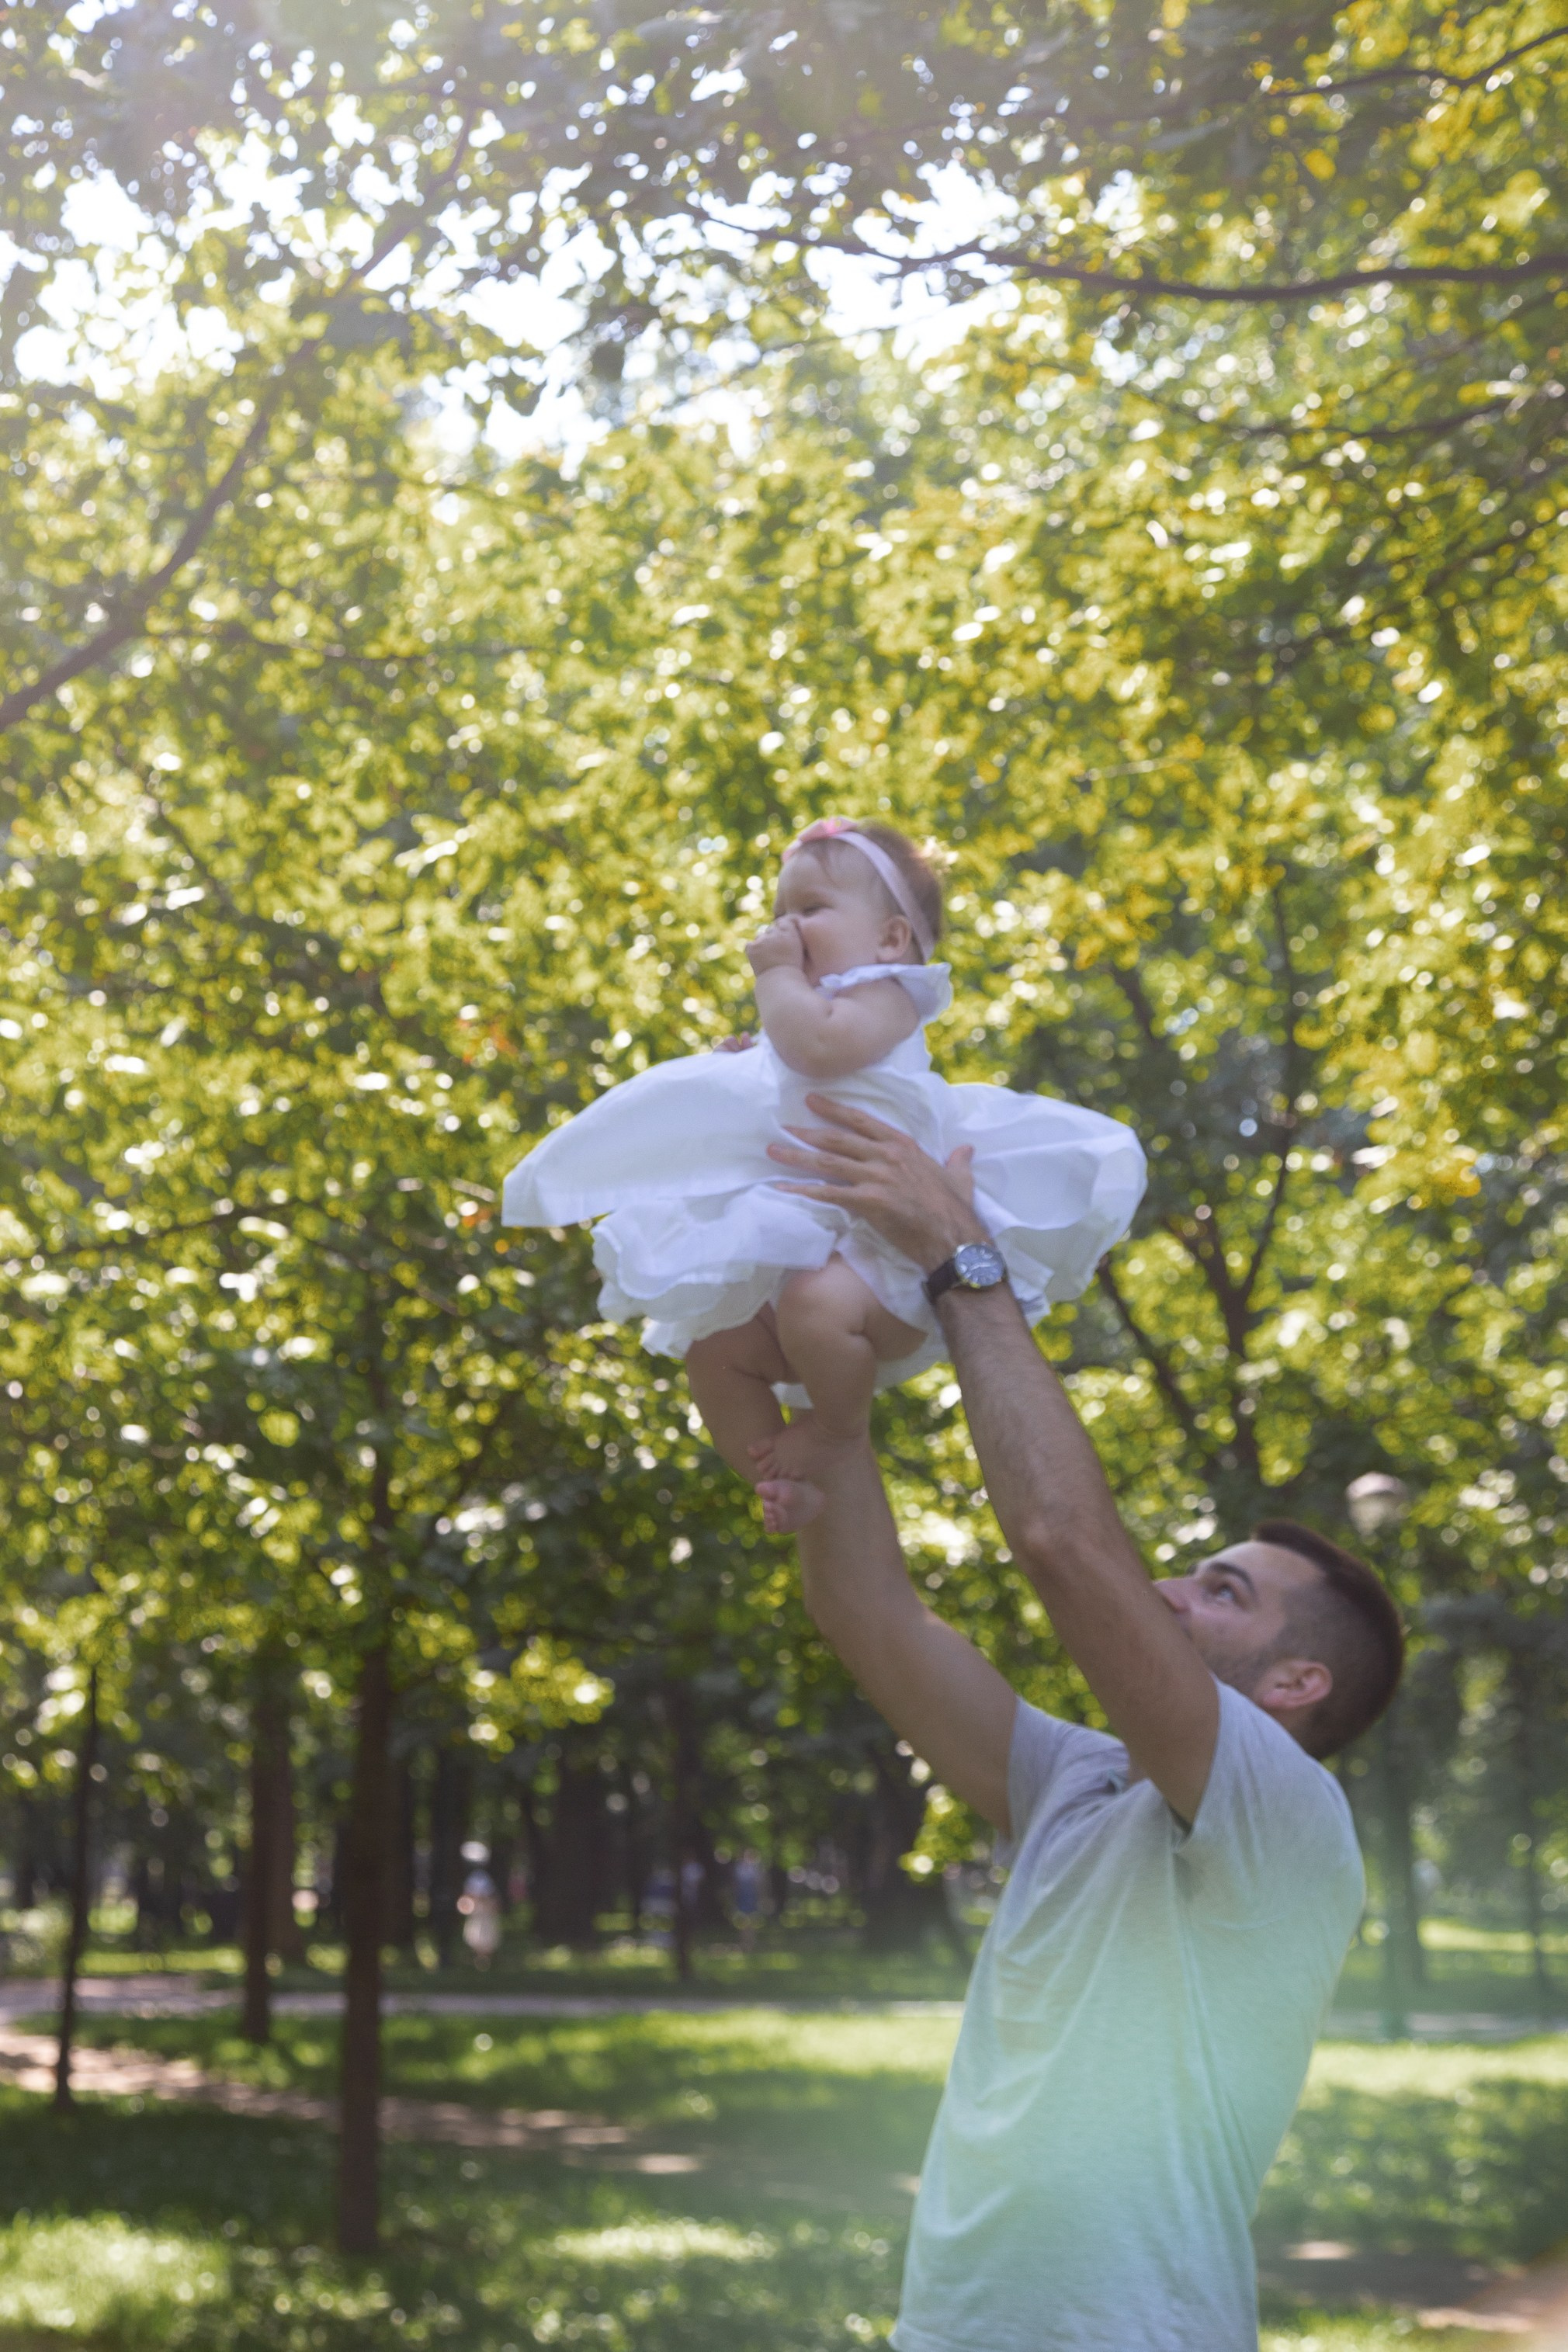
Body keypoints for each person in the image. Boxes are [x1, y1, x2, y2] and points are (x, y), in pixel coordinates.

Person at [758, 1093, 1403, 2352]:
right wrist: (826, 1406)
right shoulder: (1082, 1780)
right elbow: (869, 1613)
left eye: (1222, 1592)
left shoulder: (1285, 1817)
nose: (1164, 1589)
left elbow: (1063, 1540)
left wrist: (961, 1258)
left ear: (1297, 1685)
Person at [502, 817, 1145, 1532]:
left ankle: (838, 1432)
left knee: (813, 1305)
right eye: (779, 912)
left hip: (879, 1254)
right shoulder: (808, 1014)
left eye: (809, 909)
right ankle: (781, 1484)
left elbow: (818, 1047)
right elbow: (789, 1068)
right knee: (716, 1351)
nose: (786, 928)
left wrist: (776, 978)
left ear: (891, 939)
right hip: (805, 1237)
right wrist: (744, 1068)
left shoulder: (887, 993)